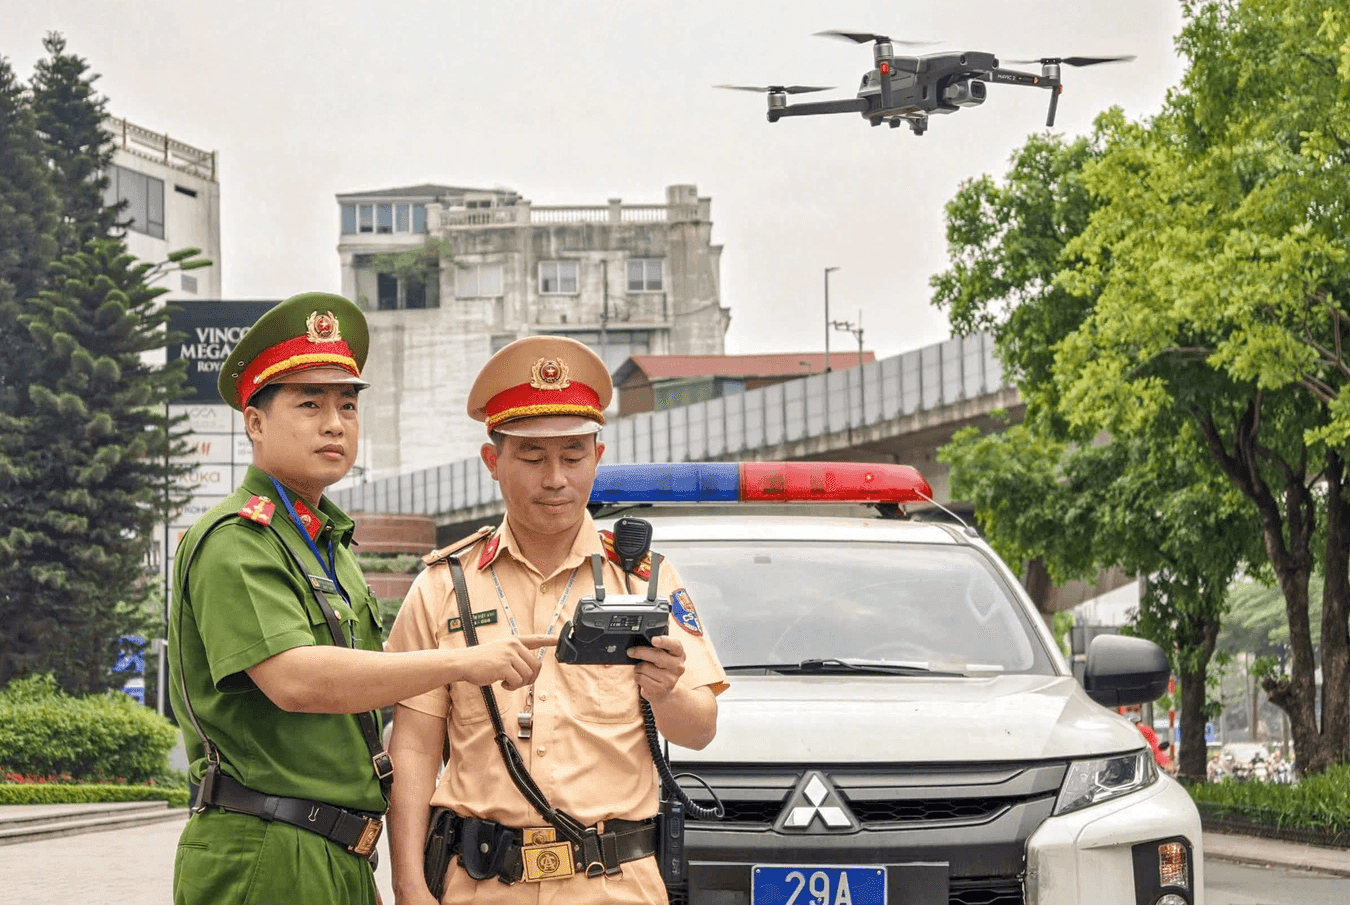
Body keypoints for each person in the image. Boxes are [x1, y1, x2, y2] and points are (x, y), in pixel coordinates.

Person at [169, 292, 555, 905]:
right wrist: (461, 661)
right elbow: (297, 680)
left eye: (347, 405)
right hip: (268, 851)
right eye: (309, 403)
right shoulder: (238, 542)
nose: (334, 423)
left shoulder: (327, 544)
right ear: (255, 421)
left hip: (332, 851)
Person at [384, 336, 728, 904]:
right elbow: (416, 748)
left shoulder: (646, 578)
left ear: (598, 455)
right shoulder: (447, 585)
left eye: (573, 456)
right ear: (493, 461)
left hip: (616, 886)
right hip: (480, 884)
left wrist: (666, 693)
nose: (555, 479)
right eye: (533, 457)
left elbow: (700, 729)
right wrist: (409, 888)